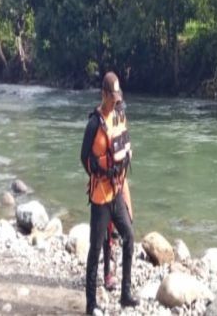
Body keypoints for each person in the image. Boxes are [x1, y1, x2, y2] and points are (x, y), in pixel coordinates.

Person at [80, 72, 138, 314]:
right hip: (100, 199)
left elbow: (124, 145)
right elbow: (84, 157)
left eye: (117, 97)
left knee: (130, 237)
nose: (115, 101)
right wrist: (98, 170)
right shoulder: (94, 123)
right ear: (103, 94)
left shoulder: (119, 115)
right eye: (111, 97)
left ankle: (125, 294)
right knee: (95, 251)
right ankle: (91, 306)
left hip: (116, 193)